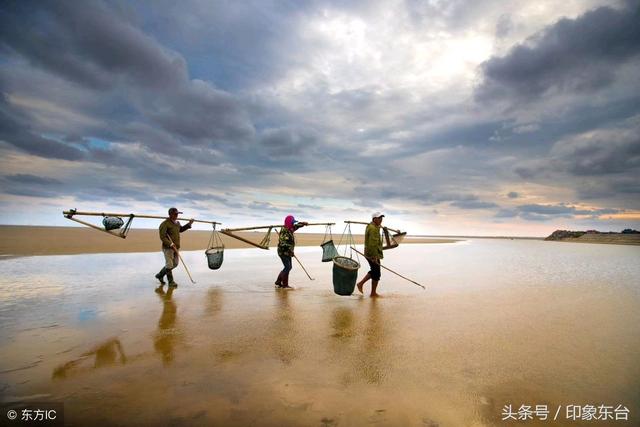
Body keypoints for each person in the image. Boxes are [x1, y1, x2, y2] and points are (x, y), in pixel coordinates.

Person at [155, 207, 194, 287]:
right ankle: (171, 282)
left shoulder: (177, 223)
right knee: (169, 264)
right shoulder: (165, 224)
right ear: (170, 214)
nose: (177, 215)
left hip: (176, 247)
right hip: (168, 248)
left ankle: (160, 275)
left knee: (175, 264)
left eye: (177, 214)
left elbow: (181, 230)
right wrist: (170, 244)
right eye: (175, 214)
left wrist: (189, 224)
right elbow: (162, 237)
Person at [275, 215, 308, 288]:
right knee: (287, 267)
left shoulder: (290, 228)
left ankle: (280, 282)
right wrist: (290, 250)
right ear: (289, 223)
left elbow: (296, 226)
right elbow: (282, 243)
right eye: (292, 223)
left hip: (288, 252)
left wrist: (302, 224)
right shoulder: (284, 231)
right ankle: (283, 284)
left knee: (289, 267)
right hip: (283, 252)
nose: (293, 224)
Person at [357, 212, 384, 297]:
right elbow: (373, 244)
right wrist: (374, 257)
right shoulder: (373, 229)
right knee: (377, 273)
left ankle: (363, 286)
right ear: (374, 219)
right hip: (372, 253)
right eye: (379, 218)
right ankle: (371, 292)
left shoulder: (371, 226)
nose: (381, 220)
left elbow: (377, 227)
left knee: (374, 271)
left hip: (369, 252)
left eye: (381, 218)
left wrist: (381, 227)